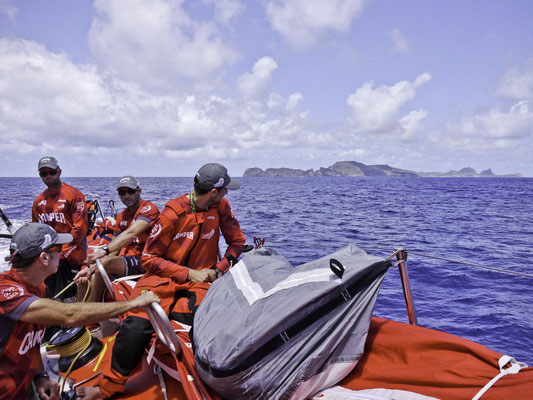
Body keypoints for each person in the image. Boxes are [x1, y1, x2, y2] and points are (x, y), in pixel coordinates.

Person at [78, 163, 246, 400]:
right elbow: (148, 259)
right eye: (225, 190)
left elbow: (237, 243)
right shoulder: (172, 214)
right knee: (135, 325)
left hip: (202, 279)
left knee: (211, 321)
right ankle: (107, 388)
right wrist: (188, 274)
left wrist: (218, 271)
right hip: (163, 278)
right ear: (214, 192)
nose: (227, 194)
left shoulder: (221, 208)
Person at [0, 223, 159, 400]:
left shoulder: (36, 288)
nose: (63, 252)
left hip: (21, 387)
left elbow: (31, 341)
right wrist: (135, 303)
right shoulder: (6, 292)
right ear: (44, 258)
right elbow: (70, 315)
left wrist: (40, 377)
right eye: (58, 248)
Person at [74, 176, 159, 302]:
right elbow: (114, 247)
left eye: (130, 191)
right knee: (85, 271)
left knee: (105, 264)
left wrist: (104, 252)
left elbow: (131, 233)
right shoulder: (121, 216)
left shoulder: (149, 209)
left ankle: (89, 313)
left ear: (139, 191)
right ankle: (78, 314)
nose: (126, 196)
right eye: (122, 192)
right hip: (125, 258)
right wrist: (91, 267)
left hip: (145, 259)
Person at [32, 156, 88, 299]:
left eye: (51, 172)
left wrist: (62, 253)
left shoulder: (74, 195)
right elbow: (36, 231)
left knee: (73, 295)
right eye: (44, 174)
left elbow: (79, 229)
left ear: (59, 172)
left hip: (73, 257)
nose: (48, 176)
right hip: (50, 258)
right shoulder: (39, 201)